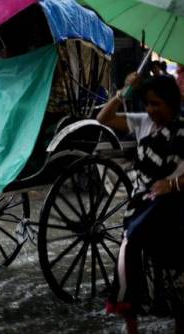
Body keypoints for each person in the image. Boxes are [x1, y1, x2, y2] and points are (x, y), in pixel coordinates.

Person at [97, 74, 184, 333]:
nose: (150, 110)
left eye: (156, 104)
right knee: (131, 248)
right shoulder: (144, 123)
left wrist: (173, 185)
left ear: (171, 103)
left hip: (174, 208)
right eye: (147, 103)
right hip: (142, 205)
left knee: (174, 274)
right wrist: (124, 92)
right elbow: (103, 119)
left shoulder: (183, 130)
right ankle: (131, 317)